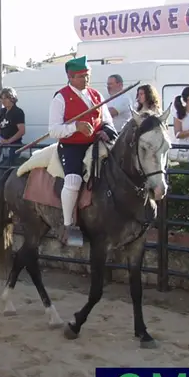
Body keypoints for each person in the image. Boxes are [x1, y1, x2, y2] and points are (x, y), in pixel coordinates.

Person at [47, 55, 117, 247]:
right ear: (70, 76)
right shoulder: (60, 97)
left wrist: (105, 130)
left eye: (87, 75)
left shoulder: (97, 95)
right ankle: (69, 225)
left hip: (96, 143)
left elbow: (107, 120)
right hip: (71, 146)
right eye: (80, 76)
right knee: (73, 180)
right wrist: (75, 127)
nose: (85, 80)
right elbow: (53, 130)